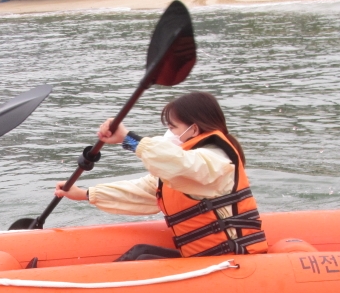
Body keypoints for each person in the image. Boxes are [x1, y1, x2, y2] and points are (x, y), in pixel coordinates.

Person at [55, 91, 267, 260]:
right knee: (140, 253)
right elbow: (141, 191)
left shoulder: (216, 160)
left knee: (141, 257)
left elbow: (182, 165)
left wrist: (129, 140)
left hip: (234, 259)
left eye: (173, 127)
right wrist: (84, 194)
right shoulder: (181, 170)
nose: (170, 133)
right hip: (206, 258)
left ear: (193, 130)